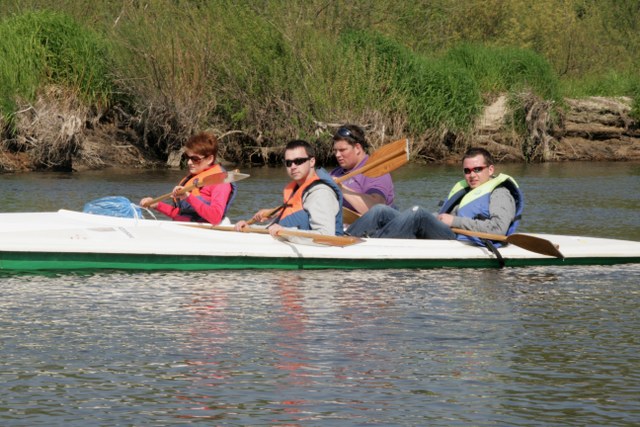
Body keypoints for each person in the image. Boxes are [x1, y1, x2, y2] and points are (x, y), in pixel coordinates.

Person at [346, 147, 524, 246]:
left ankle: (371, 244)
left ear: (490, 169)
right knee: (380, 210)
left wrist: (454, 221)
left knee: (417, 213)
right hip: (448, 231)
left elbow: (498, 229)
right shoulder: (467, 189)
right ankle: (344, 239)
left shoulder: (500, 193)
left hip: (462, 240)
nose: (472, 175)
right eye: (467, 171)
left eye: (477, 169)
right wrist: (440, 218)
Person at [235, 139, 343, 238]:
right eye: (289, 163)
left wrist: (286, 232)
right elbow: (280, 226)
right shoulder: (296, 190)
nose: (293, 166)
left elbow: (325, 235)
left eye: (299, 161)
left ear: (312, 161)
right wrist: (250, 229)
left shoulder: (321, 193)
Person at [139, 131, 236, 224]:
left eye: (195, 159)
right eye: (187, 157)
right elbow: (180, 214)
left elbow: (215, 217)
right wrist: (156, 205)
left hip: (201, 231)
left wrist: (188, 197)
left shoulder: (220, 182)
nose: (189, 162)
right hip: (184, 228)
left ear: (209, 159)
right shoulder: (193, 179)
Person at [330, 124, 395, 215]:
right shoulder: (334, 173)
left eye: (342, 150)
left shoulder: (375, 170)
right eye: (335, 151)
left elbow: (376, 209)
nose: (337, 155)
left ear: (357, 148)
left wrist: (342, 189)